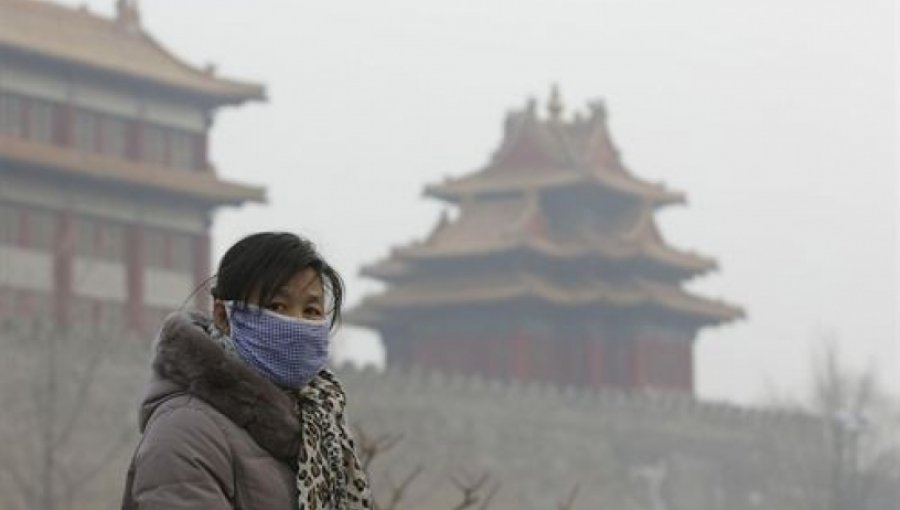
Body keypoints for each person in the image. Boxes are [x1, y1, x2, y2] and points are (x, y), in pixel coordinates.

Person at [121, 232, 372, 510]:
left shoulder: (322, 434)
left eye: (311, 310)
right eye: (277, 306)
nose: (296, 322)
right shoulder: (186, 433)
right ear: (222, 316)